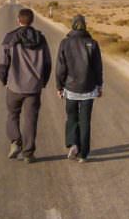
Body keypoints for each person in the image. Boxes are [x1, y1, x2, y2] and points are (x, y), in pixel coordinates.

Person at [0, 7, 51, 163]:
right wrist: (43, 82)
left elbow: (2, 62)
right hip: (34, 88)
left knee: (12, 115)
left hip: (14, 86)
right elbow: (47, 63)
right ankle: (28, 153)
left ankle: (15, 142)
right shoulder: (41, 38)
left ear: (18, 20)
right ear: (32, 20)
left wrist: (4, 80)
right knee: (31, 120)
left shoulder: (9, 38)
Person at [55, 14, 103, 163]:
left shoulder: (65, 43)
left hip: (70, 88)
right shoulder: (93, 43)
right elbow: (97, 68)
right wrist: (99, 85)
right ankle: (83, 154)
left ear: (72, 26)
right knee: (85, 120)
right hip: (89, 88)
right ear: (85, 26)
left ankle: (74, 144)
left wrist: (59, 86)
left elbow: (60, 68)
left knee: (72, 118)